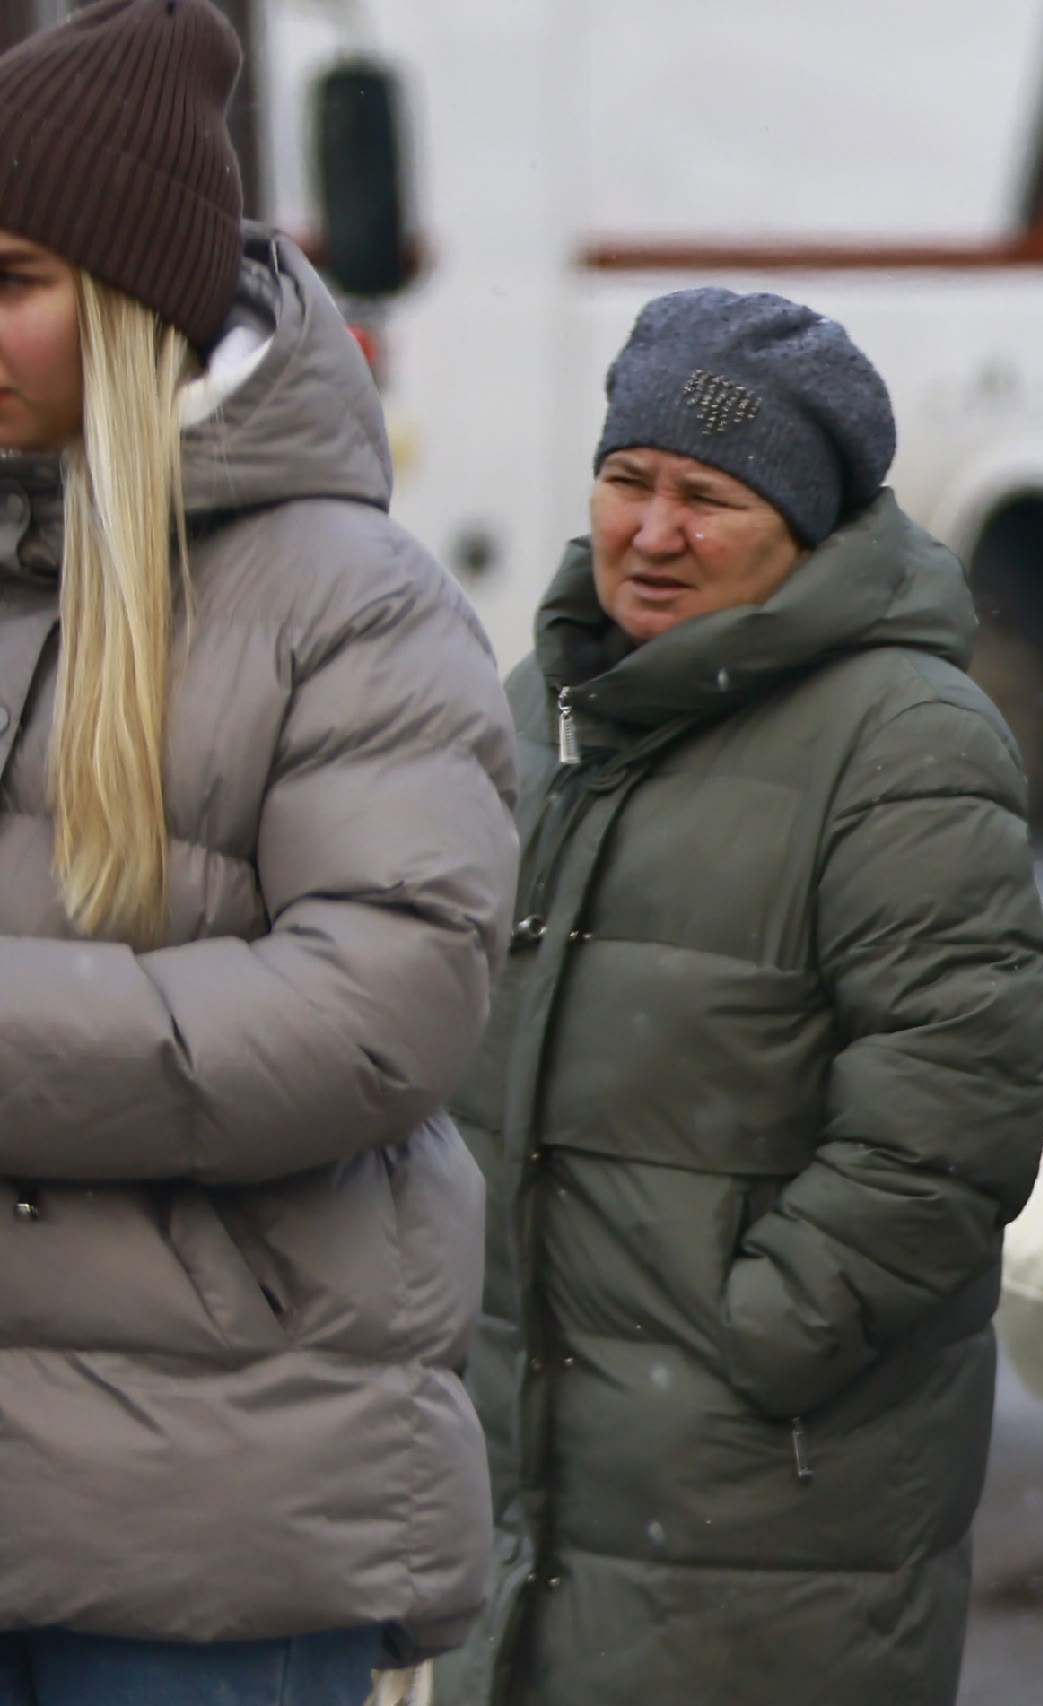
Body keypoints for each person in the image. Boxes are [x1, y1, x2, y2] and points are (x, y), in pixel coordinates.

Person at [0, 3, 517, 1703]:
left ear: (139, 304)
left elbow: (380, 1012)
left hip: (210, 1527)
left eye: (11, 280)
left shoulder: (349, 603)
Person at [442, 290, 1043, 1706]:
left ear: (804, 526)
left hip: (763, 1501)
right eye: (627, 482)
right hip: (518, 1465)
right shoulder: (545, 704)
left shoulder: (905, 739)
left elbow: (951, 1116)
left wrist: (750, 1339)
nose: (651, 533)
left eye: (706, 497)